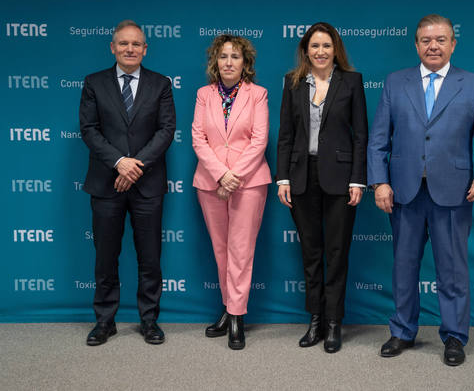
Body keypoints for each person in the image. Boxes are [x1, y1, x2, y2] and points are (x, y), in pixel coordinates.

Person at [368, 14, 474, 366]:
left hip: (454, 192)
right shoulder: (396, 83)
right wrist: (380, 181)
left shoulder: (473, 84)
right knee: (404, 266)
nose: (433, 46)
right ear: (416, 45)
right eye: (426, 40)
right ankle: (402, 331)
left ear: (453, 44)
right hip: (404, 192)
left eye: (441, 39)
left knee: (453, 269)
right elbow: (378, 139)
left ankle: (454, 336)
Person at [79, 20, 176, 346]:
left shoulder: (160, 84)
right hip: (106, 183)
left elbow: (166, 130)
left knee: (150, 258)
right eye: (124, 44)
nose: (130, 49)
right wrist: (120, 162)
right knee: (106, 258)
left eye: (136, 44)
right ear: (113, 47)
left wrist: (135, 167)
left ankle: (149, 321)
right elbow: (89, 129)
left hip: (147, 185)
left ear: (145, 49)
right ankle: (105, 321)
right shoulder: (94, 83)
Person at [277, 22, 368, 353]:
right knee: (311, 254)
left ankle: (334, 323)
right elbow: (285, 134)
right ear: (306, 50)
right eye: (314, 46)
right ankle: (314, 320)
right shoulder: (293, 82)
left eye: (326, 46)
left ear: (336, 49)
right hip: (302, 177)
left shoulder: (352, 82)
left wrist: (359, 179)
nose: (320, 52)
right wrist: (283, 177)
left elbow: (361, 135)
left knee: (337, 252)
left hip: (341, 179)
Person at [192, 35, 271, 350]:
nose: (228, 62)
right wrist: (220, 175)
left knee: (241, 251)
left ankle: (237, 317)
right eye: (223, 56)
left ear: (245, 63)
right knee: (221, 250)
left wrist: (233, 176)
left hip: (248, 183)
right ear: (215, 61)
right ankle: (228, 307)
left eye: (235, 57)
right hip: (210, 182)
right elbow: (199, 138)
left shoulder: (258, 94)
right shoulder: (203, 95)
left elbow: (259, 139)